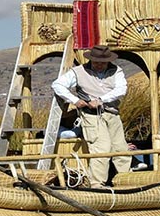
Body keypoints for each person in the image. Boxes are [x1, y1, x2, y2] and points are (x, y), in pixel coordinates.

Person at [51, 45, 130, 187]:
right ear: (91, 60)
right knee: (101, 149)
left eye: (102, 62)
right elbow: (58, 85)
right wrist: (75, 100)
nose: (99, 65)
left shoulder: (116, 71)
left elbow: (121, 89)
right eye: (96, 62)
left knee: (121, 149)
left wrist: (101, 100)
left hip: (112, 113)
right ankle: (97, 184)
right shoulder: (78, 72)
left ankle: (126, 181)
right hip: (91, 116)